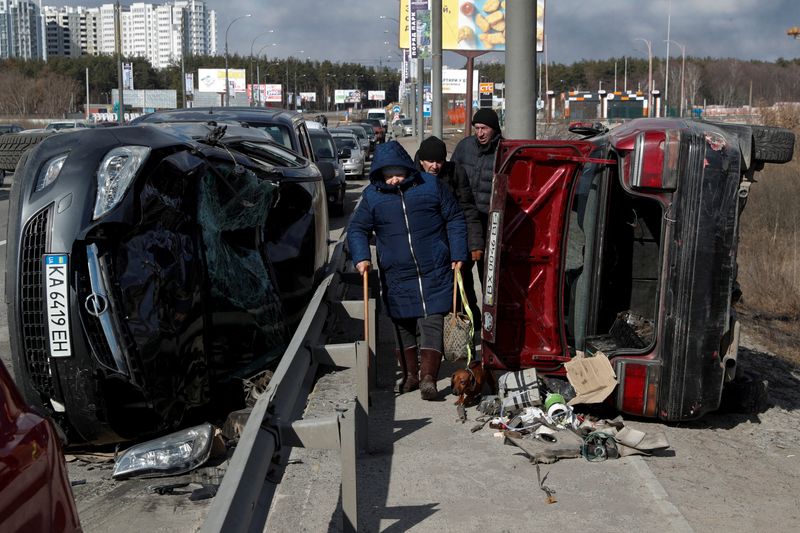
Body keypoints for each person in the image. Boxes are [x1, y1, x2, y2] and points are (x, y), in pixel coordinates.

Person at [348, 141, 467, 400]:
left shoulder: (430, 186)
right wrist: (361, 257)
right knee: (401, 324)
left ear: (407, 169)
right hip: (397, 273)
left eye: (397, 173)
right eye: (387, 175)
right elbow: (357, 229)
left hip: (434, 267)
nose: (393, 180)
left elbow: (455, 217)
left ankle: (428, 378)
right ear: (379, 174)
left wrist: (458, 252)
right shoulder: (372, 196)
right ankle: (411, 375)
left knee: (432, 320)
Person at [414, 135, 484, 319]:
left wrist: (475, 244)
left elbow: (468, 208)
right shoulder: (411, 176)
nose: (435, 166)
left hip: (455, 240)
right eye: (430, 161)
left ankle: (465, 325)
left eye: (439, 161)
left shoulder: (455, 172)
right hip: (428, 242)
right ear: (421, 161)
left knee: (463, 285)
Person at [451, 108, 503, 318]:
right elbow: (451, 173)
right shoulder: (465, 147)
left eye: (484, 129)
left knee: (488, 274)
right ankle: (471, 314)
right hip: (463, 218)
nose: (480, 133)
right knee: (461, 271)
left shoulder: (503, 150)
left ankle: (491, 317)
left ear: (494, 129)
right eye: (477, 128)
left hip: (490, 222)